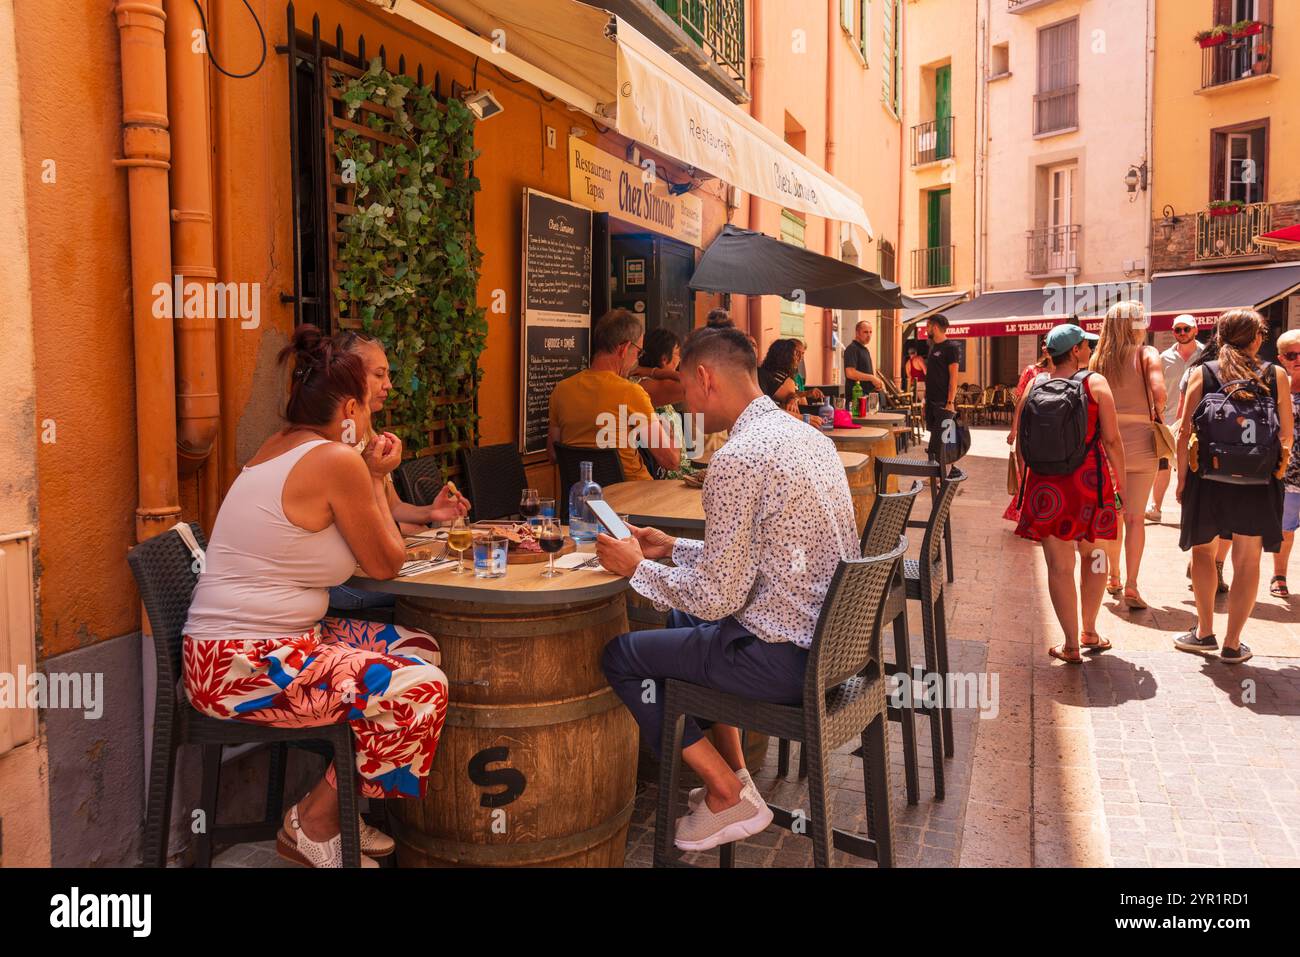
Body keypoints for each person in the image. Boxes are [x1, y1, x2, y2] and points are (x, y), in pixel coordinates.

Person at [182, 325, 450, 867]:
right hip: (238, 664)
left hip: (275, 642)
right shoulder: (337, 461)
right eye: (370, 400)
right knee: (421, 688)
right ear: (349, 408)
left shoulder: (281, 445)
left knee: (417, 647)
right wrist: (377, 477)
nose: (378, 409)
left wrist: (369, 476)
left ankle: (329, 806)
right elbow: (386, 561)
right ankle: (316, 822)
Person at [596, 326, 859, 851]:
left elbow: (720, 598)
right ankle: (738, 778)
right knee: (678, 621)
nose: (686, 405)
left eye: (686, 392)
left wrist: (634, 570)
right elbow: (752, 563)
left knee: (621, 656)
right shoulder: (808, 437)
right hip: (833, 650)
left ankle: (722, 792)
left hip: (784, 661)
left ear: (704, 378)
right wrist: (671, 548)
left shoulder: (737, 459)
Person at [1174, 309, 1294, 664]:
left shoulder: (1202, 372)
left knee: (1203, 554)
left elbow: (1183, 432)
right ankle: (1232, 643)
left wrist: (1182, 479)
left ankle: (1204, 631)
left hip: (1208, 477)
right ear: (1257, 338)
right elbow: (1286, 435)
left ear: (1220, 337)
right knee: (1248, 561)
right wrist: (1276, 473)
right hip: (1257, 479)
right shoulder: (1276, 375)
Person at [328, 330, 470, 612]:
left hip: (369, 570)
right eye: (379, 375)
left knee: (459, 576)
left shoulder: (368, 432)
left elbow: (391, 505)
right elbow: (351, 528)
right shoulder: (335, 440)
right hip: (346, 583)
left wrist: (430, 512)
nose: (389, 385)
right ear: (350, 376)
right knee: (455, 588)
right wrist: (399, 528)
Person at [1015, 324, 1126, 663]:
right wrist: (1119, 485)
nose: (1089, 350)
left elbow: (1021, 442)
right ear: (1075, 351)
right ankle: (1090, 630)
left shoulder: (1035, 383)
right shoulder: (1095, 383)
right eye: (1085, 345)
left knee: (1059, 567)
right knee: (1095, 557)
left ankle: (1070, 644)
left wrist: (1026, 483)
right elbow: (1111, 439)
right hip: (1088, 482)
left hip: (1046, 486)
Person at [1090, 300, 1166, 609]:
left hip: (1107, 444)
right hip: (1141, 443)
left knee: (1113, 515)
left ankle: (1113, 575)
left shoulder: (1098, 359)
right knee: (1136, 518)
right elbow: (1160, 393)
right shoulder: (1147, 354)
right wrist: (1155, 413)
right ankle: (1132, 584)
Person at [548, 308, 681, 481]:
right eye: (638, 352)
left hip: (584, 499)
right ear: (625, 348)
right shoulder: (631, 393)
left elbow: (553, 454)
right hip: (635, 500)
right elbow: (671, 460)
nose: (637, 360)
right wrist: (669, 431)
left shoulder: (561, 390)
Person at [1147, 316, 1203, 523]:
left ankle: (1192, 510)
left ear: (1195, 330)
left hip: (1196, 420)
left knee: (1193, 464)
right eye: (1177, 330)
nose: (1182, 333)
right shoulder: (1163, 358)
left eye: (1186, 329)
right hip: (1168, 418)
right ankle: (1156, 507)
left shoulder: (1205, 354)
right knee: (1163, 465)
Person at [632, 327, 697, 478]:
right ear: (663, 358)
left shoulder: (647, 380)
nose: (680, 359)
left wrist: (652, 371)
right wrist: (654, 372)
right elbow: (694, 383)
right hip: (665, 476)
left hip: (674, 470)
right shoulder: (647, 385)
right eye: (677, 353)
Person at [1003, 347, 1053, 524]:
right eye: (1045, 344)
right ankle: (1026, 514)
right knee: (1025, 476)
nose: (1045, 348)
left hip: (1051, 435)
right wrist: (1014, 429)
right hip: (1029, 430)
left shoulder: (1067, 372)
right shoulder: (1032, 371)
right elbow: (1020, 403)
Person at [1271, 329, 1300, 597]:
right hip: (1288, 473)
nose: (1298, 358)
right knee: (1285, 529)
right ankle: (1279, 575)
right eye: (1292, 354)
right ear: (1282, 358)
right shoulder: (1277, 387)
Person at [924, 315, 961, 456]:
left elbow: (954, 377)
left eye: (927, 326)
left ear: (934, 327)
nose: (926, 329)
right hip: (931, 401)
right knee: (934, 441)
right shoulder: (933, 347)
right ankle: (935, 474)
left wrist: (950, 402)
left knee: (945, 441)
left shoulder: (951, 348)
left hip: (943, 401)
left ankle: (945, 472)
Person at [844, 319, 886, 399]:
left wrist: (875, 384)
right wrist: (872, 378)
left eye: (870, 332)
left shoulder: (865, 350)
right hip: (856, 400)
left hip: (866, 397)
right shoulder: (852, 349)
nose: (869, 335)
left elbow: (865, 376)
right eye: (865, 332)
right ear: (857, 333)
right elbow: (850, 373)